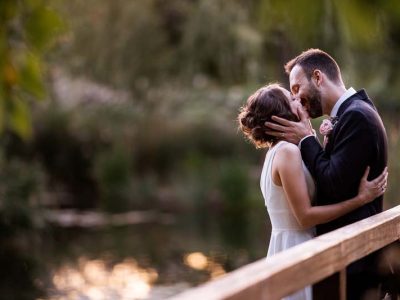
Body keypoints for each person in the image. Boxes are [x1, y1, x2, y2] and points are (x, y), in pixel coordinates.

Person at [238, 83, 388, 300]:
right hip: (296, 247)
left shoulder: (281, 151)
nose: (299, 100)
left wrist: (313, 139)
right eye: (292, 99)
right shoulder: (287, 152)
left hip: (295, 244)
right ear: (283, 114)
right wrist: (360, 199)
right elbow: (305, 217)